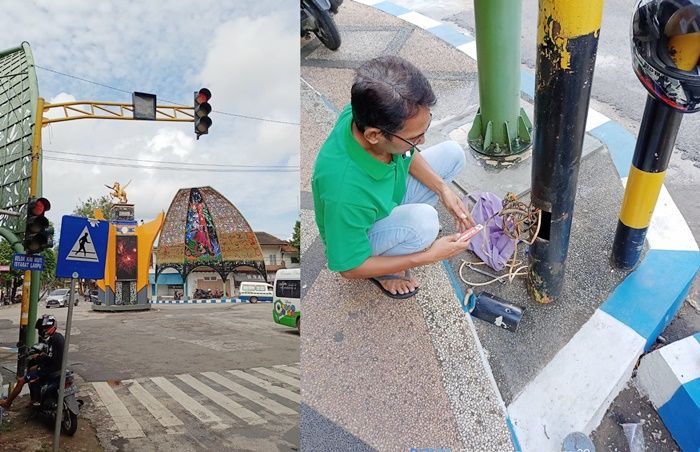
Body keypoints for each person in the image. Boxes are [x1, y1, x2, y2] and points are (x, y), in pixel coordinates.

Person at [312, 55, 475, 299]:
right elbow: (348, 267)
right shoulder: (344, 192)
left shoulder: (364, 112)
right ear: (374, 135)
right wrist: (427, 257)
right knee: (424, 223)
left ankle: (403, 230)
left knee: (453, 154)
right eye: (414, 137)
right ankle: (385, 271)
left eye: (425, 128)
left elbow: (407, 153)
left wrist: (444, 190)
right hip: (360, 231)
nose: (422, 141)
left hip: (384, 195)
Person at [0, 315, 64, 409]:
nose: (43, 331)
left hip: (50, 369)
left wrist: (38, 357)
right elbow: (52, 354)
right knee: (32, 368)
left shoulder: (53, 339)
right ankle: (35, 398)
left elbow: (50, 358)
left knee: (21, 381)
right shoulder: (58, 336)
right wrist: (41, 355)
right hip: (57, 366)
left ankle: (7, 403)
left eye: (44, 328)